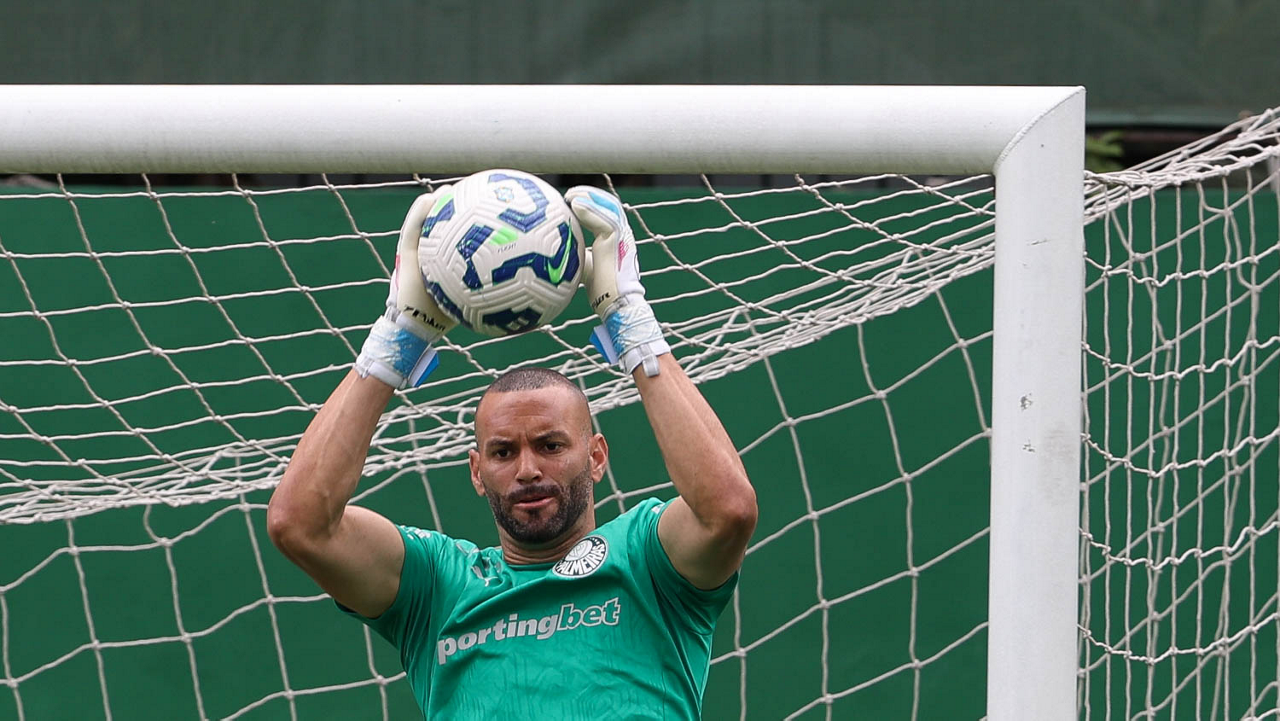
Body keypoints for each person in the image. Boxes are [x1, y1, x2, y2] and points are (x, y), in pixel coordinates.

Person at [266, 183, 758, 719]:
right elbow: (302, 525)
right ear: (476, 472)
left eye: (550, 446)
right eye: (502, 453)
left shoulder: (646, 560)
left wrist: (629, 321)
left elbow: (727, 510)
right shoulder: (438, 587)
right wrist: (398, 336)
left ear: (596, 456)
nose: (527, 470)